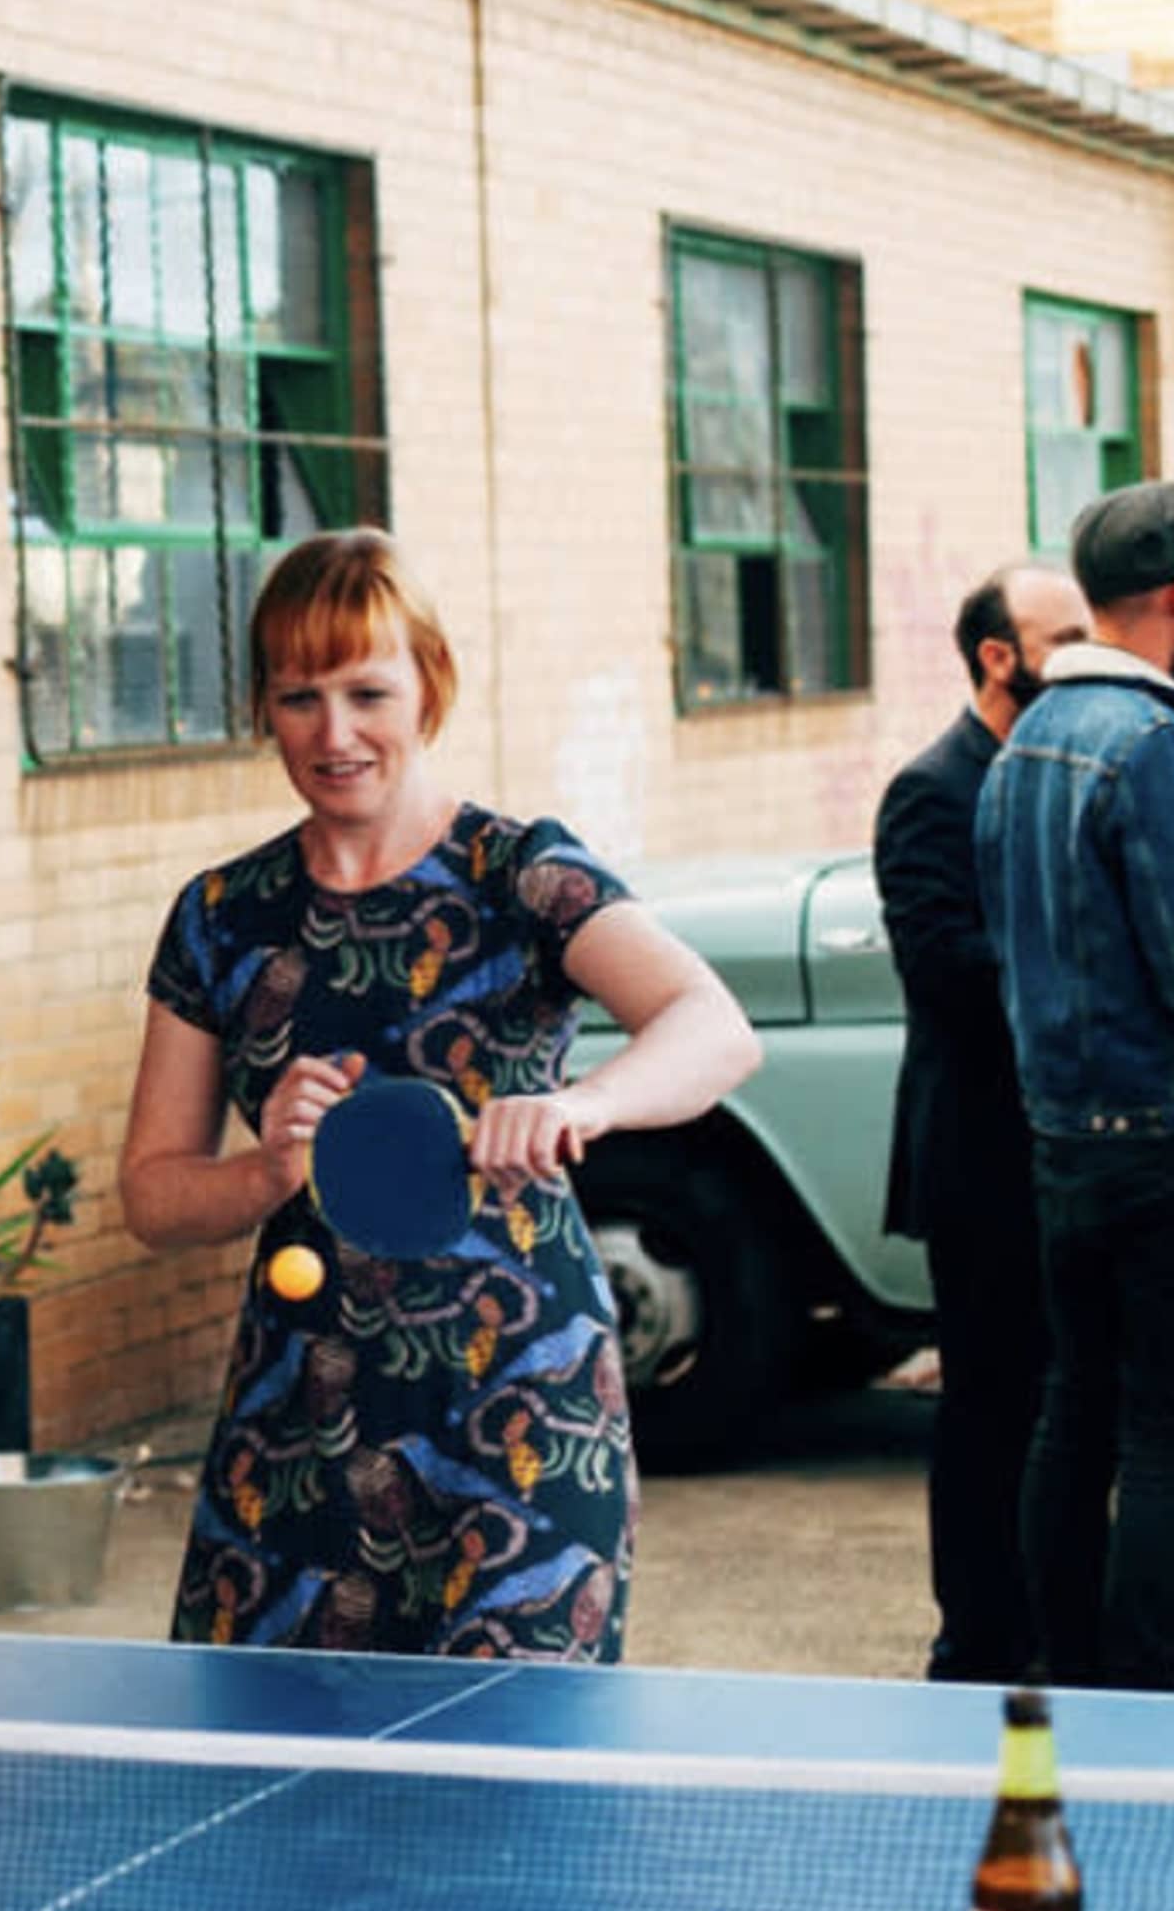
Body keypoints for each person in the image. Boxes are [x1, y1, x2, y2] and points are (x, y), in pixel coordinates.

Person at [119, 530, 758, 1658]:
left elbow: (713, 1025)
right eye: (298, 696)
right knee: (276, 1785)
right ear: (265, 708)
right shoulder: (222, 916)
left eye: (368, 689)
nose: (335, 731)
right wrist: (264, 1171)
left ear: (430, 684)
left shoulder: (522, 875)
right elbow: (154, 1196)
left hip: (519, 1405)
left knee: (513, 1781)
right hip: (297, 1416)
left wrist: (583, 1105)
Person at [973, 478, 1174, 1693]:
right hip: (1171, 1148)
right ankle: (1146, 1696)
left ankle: (1068, 1673)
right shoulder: (1157, 746)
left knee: (1078, 1417)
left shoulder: (1022, 751)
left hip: (1063, 1145)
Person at [876, 560, 1087, 1684]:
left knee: (1066, 1406)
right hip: (983, 1163)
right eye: (1065, 636)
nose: (1087, 654)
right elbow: (948, 969)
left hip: (1064, 1155)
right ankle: (977, 1637)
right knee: (989, 1412)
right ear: (998, 656)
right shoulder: (933, 788)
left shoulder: (1066, 771)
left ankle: (1056, 1619)